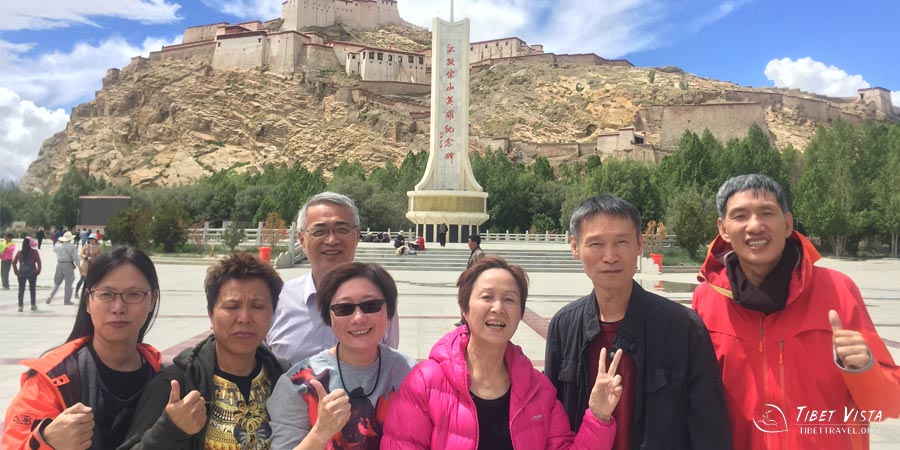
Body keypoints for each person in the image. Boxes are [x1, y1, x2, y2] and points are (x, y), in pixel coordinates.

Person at [692, 174, 900, 450]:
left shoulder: (837, 290)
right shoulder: (706, 300)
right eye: (740, 216)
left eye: (767, 213)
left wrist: (864, 369)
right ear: (724, 229)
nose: (755, 225)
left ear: (788, 223)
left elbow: (889, 404)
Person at [544, 194, 731, 450]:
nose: (610, 256)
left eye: (622, 242)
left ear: (640, 244)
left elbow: (709, 429)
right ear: (574, 247)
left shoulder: (684, 328)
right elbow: (554, 425)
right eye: (596, 244)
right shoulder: (563, 327)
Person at [382, 256, 622, 450]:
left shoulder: (538, 391)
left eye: (509, 299)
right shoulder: (425, 383)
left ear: (520, 314)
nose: (498, 308)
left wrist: (599, 418)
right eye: (487, 297)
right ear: (464, 309)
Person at [120, 252, 288, 449]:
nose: (244, 318)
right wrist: (170, 430)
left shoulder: (283, 378)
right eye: (232, 306)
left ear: (273, 313)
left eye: (257, 306)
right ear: (210, 315)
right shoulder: (178, 382)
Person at [2, 246, 163, 449]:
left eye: (133, 295)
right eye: (106, 294)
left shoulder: (164, 377)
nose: (118, 307)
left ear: (152, 300)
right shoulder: (54, 379)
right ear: (88, 301)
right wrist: (46, 441)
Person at [269, 262, 414, 449]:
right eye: (344, 309)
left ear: (389, 311)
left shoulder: (412, 374)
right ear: (328, 316)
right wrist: (321, 432)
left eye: (371, 305)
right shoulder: (299, 383)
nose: (359, 318)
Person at [266, 192, 399, 366]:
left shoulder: (378, 300)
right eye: (319, 231)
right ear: (302, 239)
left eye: (341, 229)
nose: (331, 240)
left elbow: (389, 362)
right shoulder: (277, 300)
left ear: (357, 236)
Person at [46, 231, 79, 305]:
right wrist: (79, 265)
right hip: (68, 265)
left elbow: (54, 250)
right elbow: (75, 257)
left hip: (59, 264)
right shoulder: (72, 246)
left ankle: (50, 296)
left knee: (57, 283)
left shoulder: (57, 245)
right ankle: (67, 300)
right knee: (69, 283)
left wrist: (59, 241)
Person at [13, 237, 42, 312]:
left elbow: (14, 262)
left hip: (21, 273)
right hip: (32, 273)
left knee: (21, 290)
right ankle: (33, 305)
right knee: (32, 289)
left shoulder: (19, 252)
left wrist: (16, 272)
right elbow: (39, 262)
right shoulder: (34, 252)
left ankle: (20, 306)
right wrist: (38, 271)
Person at [76, 233, 103, 297]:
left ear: (95, 240)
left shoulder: (98, 247)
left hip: (94, 265)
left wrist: (96, 257)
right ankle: (76, 292)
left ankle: (90, 293)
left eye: (93, 239)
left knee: (93, 279)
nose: (91, 240)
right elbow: (81, 254)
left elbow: (101, 255)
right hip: (85, 265)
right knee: (82, 278)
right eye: (90, 239)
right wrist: (86, 257)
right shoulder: (85, 246)